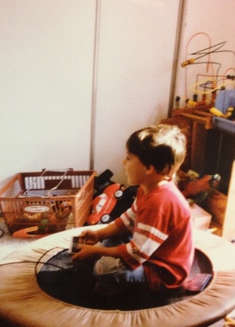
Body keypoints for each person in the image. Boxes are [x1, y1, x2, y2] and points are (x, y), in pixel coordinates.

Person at [72, 124, 194, 292]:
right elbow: (128, 220)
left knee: (103, 268)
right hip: (148, 252)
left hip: (161, 272)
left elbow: (137, 254)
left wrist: (95, 252)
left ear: (149, 168)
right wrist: (98, 234)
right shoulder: (147, 188)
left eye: (128, 158)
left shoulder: (159, 203)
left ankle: (119, 289)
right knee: (109, 241)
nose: (123, 162)